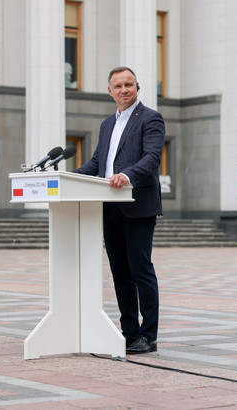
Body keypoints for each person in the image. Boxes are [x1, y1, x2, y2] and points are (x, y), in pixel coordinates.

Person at [73, 66, 165, 355]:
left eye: (129, 84)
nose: (124, 90)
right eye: (118, 86)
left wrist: (127, 176)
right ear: (109, 91)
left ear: (137, 87)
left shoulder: (151, 118)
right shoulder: (106, 124)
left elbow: (152, 157)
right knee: (119, 273)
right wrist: (69, 178)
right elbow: (98, 164)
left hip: (137, 204)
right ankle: (128, 333)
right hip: (109, 207)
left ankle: (148, 336)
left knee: (140, 270)